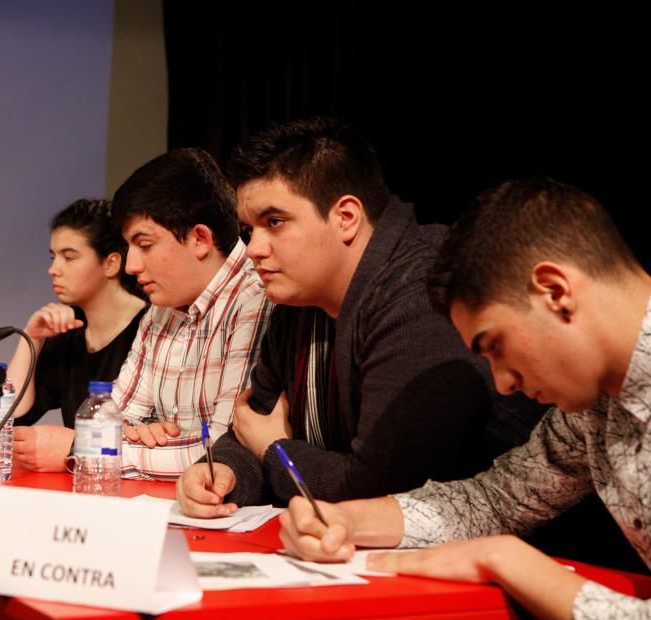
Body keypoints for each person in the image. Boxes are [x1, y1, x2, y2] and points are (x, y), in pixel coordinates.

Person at [279, 177, 651, 620]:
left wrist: (505, 559)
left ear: (555, 291)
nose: (502, 384)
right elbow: (495, 500)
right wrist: (344, 518)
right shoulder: (593, 410)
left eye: (495, 346)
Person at [178, 117, 542, 516]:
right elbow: (252, 422)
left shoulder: (421, 292)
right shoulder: (295, 297)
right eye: (249, 230)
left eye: (274, 222)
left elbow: (380, 492)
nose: (253, 249)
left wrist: (274, 451)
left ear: (346, 217)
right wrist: (223, 473)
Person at [0, 198, 148, 471]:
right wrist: (32, 338)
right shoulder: (69, 331)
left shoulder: (152, 329)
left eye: (69, 257)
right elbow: (12, 416)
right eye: (53, 257)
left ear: (111, 264)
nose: (53, 269)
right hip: (82, 483)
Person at [110, 147, 272, 480]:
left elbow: (224, 452)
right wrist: (137, 436)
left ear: (200, 239)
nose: (131, 265)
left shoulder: (255, 297)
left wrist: (105, 450)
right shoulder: (162, 306)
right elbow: (112, 418)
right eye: (128, 247)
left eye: (144, 244)